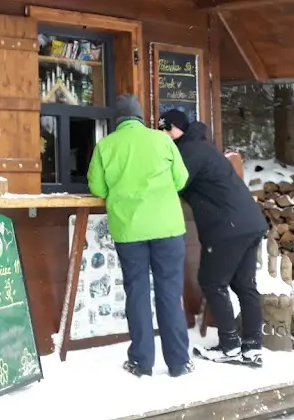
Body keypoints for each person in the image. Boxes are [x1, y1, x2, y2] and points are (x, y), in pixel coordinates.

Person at [88, 94, 193, 378]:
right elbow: (181, 180)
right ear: (140, 116)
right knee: (170, 293)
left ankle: (141, 362)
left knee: (137, 292)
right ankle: (179, 362)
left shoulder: (105, 146)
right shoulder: (162, 140)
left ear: (116, 120)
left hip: (129, 229)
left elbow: (97, 188)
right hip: (168, 228)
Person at [159, 109, 268, 367]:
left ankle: (229, 344)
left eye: (166, 128)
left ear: (178, 129)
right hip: (249, 223)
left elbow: (174, 184)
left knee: (212, 281)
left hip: (227, 227)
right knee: (244, 285)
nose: (163, 134)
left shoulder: (189, 152)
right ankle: (252, 347)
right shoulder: (202, 147)